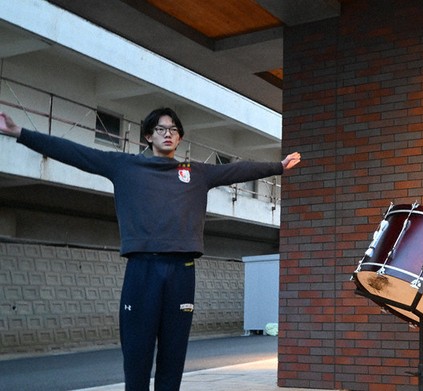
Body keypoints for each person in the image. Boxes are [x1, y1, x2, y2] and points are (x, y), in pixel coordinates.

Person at [0, 107, 301, 391]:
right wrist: (19, 132)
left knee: (173, 354)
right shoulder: (125, 166)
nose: (167, 134)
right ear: (148, 135)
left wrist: (278, 166)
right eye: (160, 129)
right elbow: (76, 153)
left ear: (180, 137)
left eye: (173, 129)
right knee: (137, 354)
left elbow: (238, 171)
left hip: (182, 271)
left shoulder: (196, 172)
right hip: (141, 269)